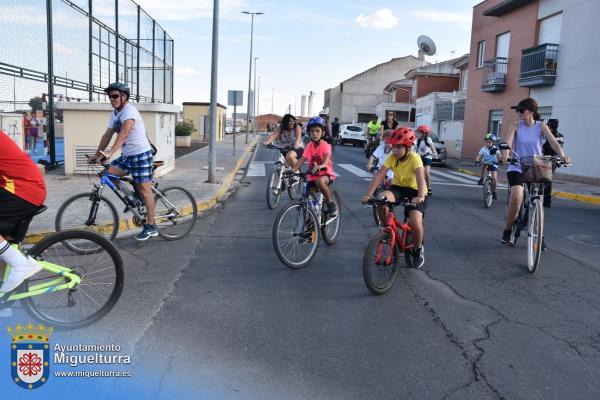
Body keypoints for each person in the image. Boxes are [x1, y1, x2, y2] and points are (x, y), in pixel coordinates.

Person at [87, 82, 157, 241]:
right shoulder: (115, 114)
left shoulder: (129, 111)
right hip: (127, 156)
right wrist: (97, 154)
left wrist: (110, 153)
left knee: (145, 190)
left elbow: (123, 134)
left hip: (141, 154)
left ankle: (151, 226)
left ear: (124, 97)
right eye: (110, 96)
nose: (112, 99)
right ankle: (133, 197)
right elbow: (107, 135)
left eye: (115, 96)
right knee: (106, 174)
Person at [500, 98, 570, 246]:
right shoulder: (515, 125)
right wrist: (505, 156)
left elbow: (554, 143)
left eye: (521, 110)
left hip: (536, 167)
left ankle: (540, 235)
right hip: (517, 165)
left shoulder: (541, 126)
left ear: (531, 111)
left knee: (538, 200)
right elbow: (508, 142)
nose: (518, 112)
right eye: (517, 110)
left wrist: (563, 156)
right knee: (517, 196)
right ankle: (507, 230)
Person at [361, 127, 427, 268]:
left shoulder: (415, 158)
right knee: (380, 200)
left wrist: (421, 196)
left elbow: (421, 179)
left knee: (415, 222)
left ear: (408, 147)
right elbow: (379, 175)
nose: (395, 150)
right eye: (393, 146)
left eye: (398, 147)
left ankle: (418, 249)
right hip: (398, 188)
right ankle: (387, 231)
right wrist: (368, 194)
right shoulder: (392, 157)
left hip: (416, 191)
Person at [0, 129, 46, 294]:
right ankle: (5, 301)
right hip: (23, 188)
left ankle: (20, 265)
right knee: (4, 244)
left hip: (22, 189)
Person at [293, 116, 337, 217]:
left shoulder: (326, 145)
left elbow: (327, 157)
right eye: (312, 131)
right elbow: (301, 159)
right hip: (313, 175)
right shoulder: (309, 146)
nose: (315, 134)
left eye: (317, 131)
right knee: (306, 196)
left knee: (320, 182)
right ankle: (313, 216)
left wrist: (323, 165)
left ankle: (331, 204)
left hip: (326, 174)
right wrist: (292, 170)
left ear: (323, 132)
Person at [542, 119, 564, 208]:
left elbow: (544, 147)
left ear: (550, 126)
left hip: (545, 159)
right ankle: (546, 201)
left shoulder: (548, 136)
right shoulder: (561, 136)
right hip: (555, 160)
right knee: (548, 180)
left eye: (548, 124)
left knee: (544, 180)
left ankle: (544, 201)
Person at [415, 125, 437, 197]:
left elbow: (432, 146)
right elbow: (412, 144)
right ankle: (417, 186)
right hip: (419, 157)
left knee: (426, 172)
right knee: (417, 172)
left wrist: (434, 152)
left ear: (424, 133)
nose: (418, 134)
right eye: (418, 132)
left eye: (419, 132)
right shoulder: (417, 140)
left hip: (427, 156)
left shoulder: (428, 139)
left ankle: (429, 188)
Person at [475, 134, 499, 200]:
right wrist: (477, 161)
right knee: (484, 165)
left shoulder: (495, 148)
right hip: (486, 162)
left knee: (494, 179)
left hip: (493, 164)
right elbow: (478, 156)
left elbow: (499, 155)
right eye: (487, 142)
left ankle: (494, 192)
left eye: (489, 142)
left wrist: (501, 160)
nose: (488, 143)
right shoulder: (483, 148)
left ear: (493, 143)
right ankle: (482, 178)